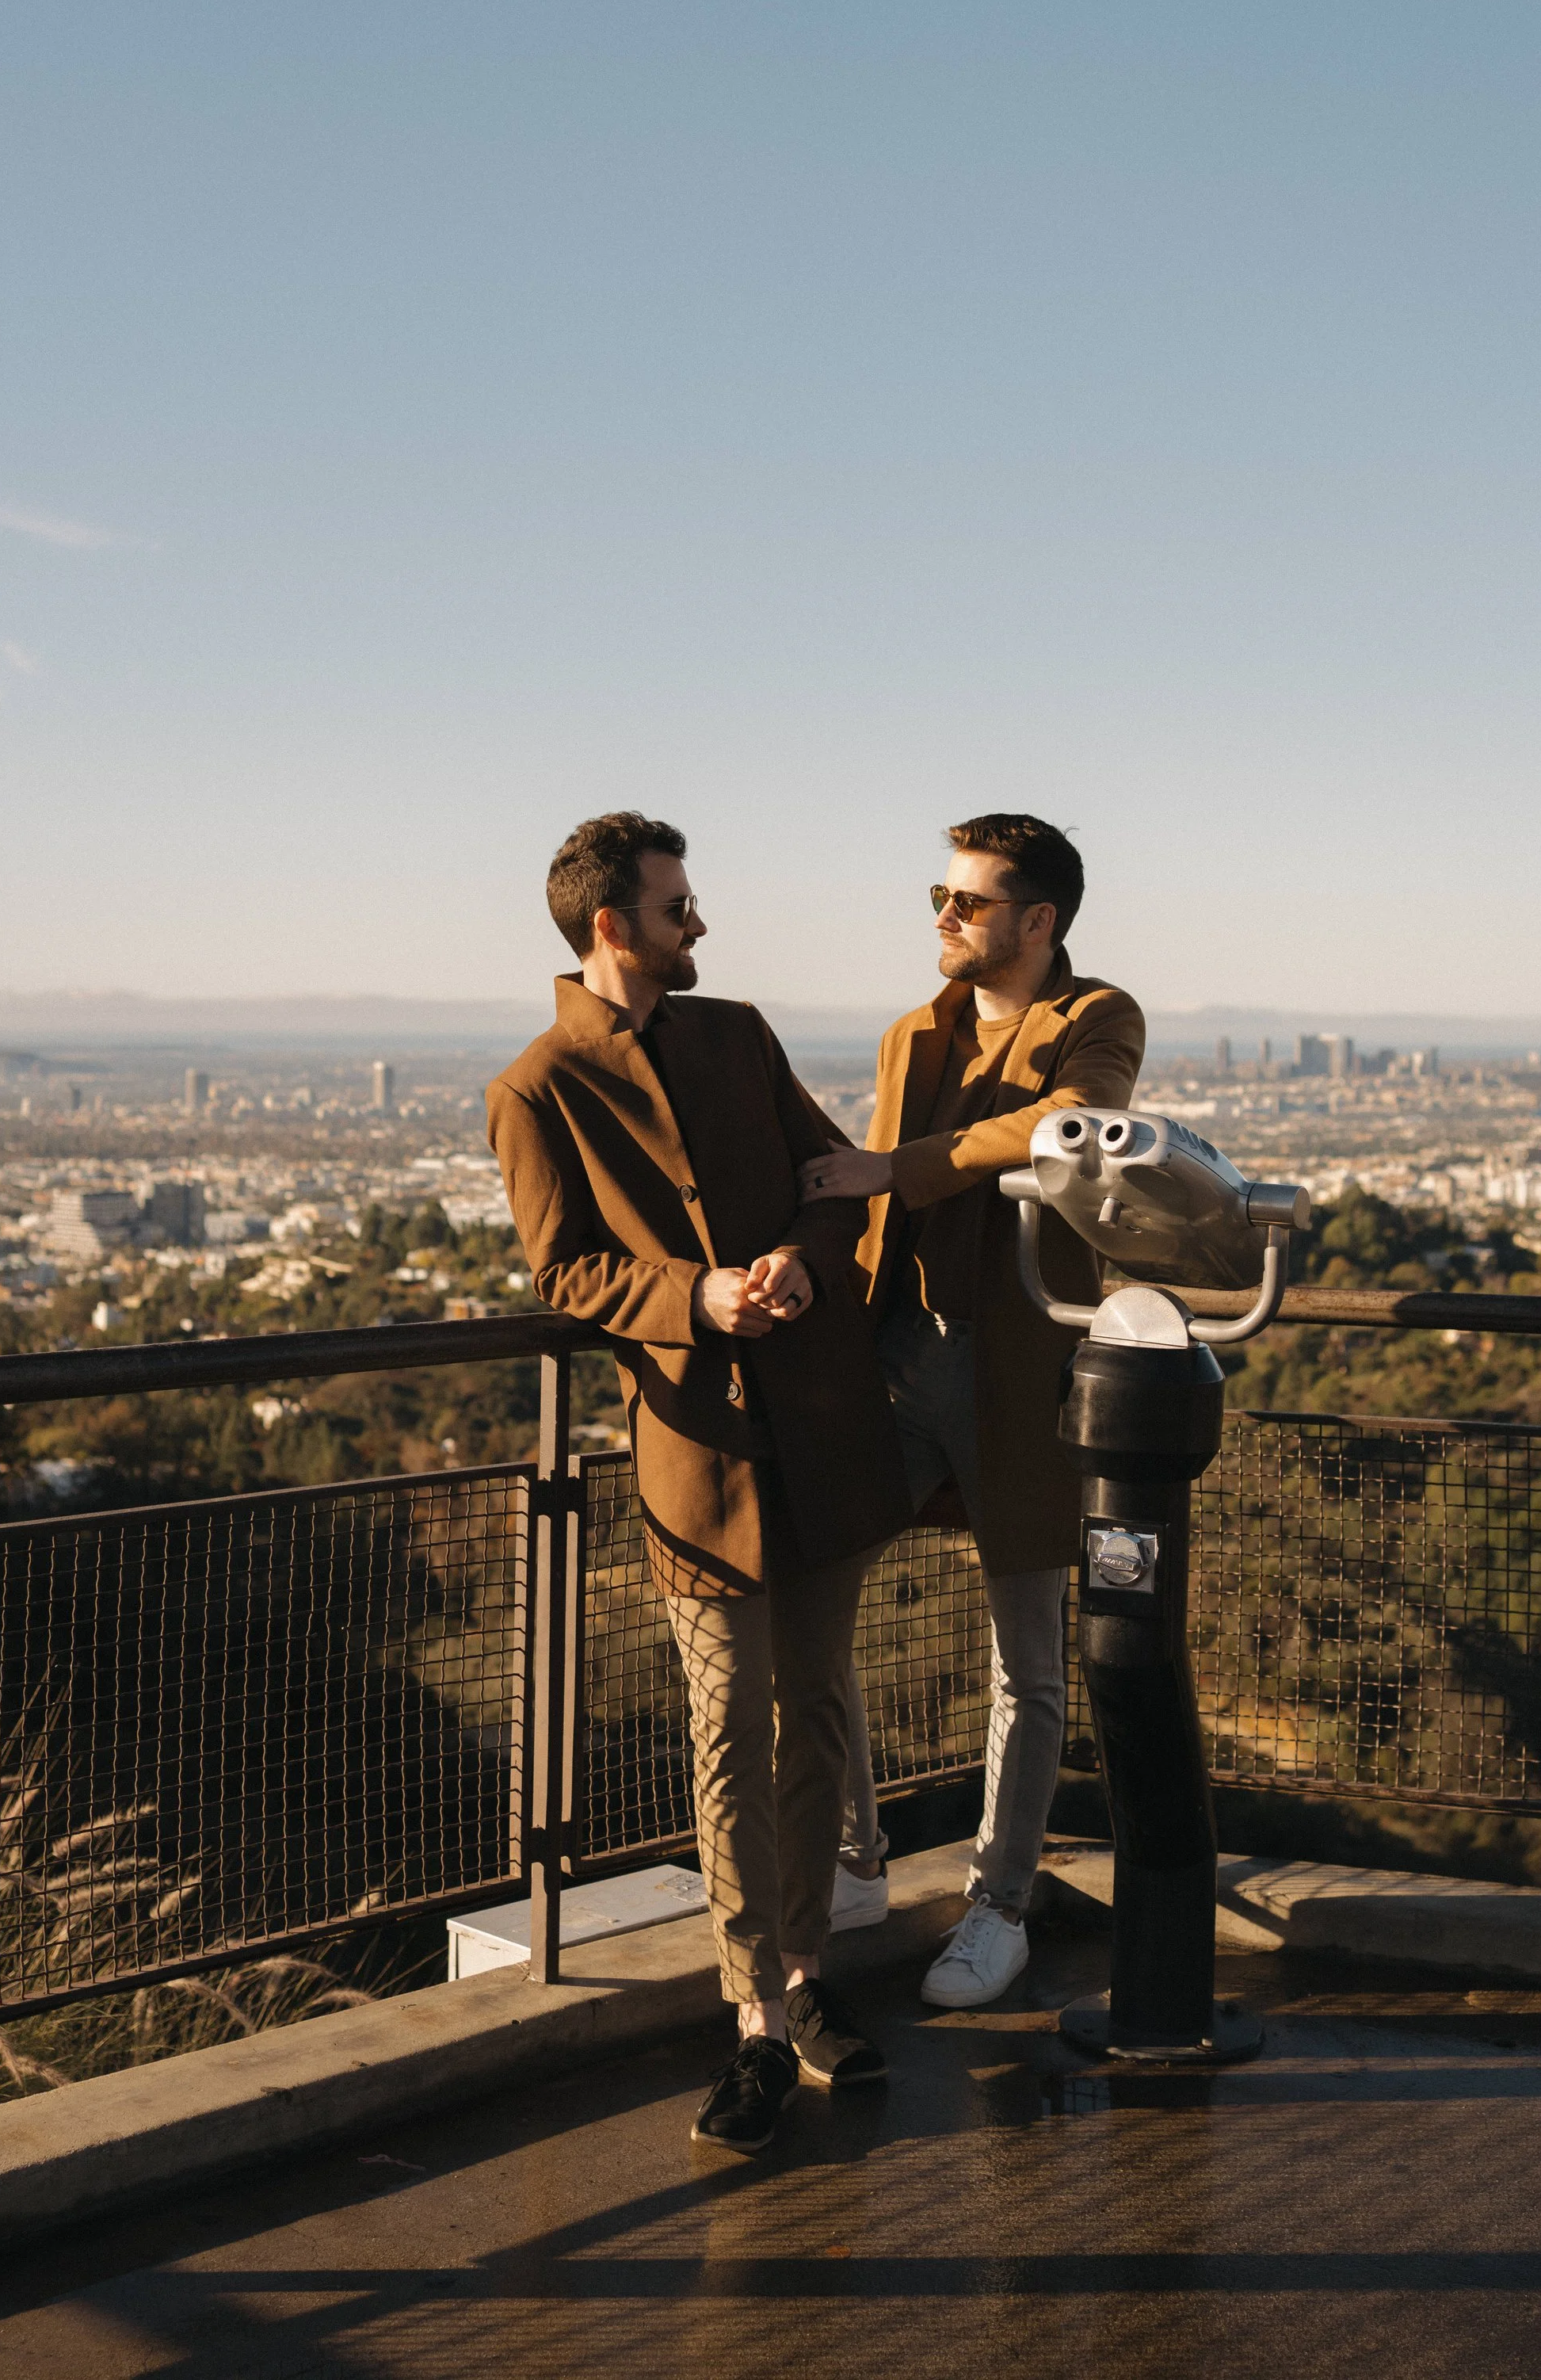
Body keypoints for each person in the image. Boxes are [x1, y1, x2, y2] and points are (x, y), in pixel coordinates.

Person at [487, 812, 912, 2155]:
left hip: (822, 1432)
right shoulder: (535, 1089)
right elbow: (564, 1272)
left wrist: (797, 1249)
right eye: (679, 907)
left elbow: (832, 1177)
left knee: (817, 1723)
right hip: (697, 1452)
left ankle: (804, 1976)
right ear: (614, 925)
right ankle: (756, 2025)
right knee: (727, 1735)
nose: (700, 924)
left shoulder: (738, 1033)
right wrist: (695, 1296)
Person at [799, 813, 1143, 2006]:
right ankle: (851, 1863)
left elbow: (1059, 1133)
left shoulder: (1095, 1019)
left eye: (970, 901)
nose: (943, 917)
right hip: (901, 1354)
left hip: (1020, 1362)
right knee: (808, 1594)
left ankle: (999, 1905)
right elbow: (875, 1182)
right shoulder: (914, 1032)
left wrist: (898, 1167)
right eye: (938, 896)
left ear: (1038, 921)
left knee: (1028, 1658)